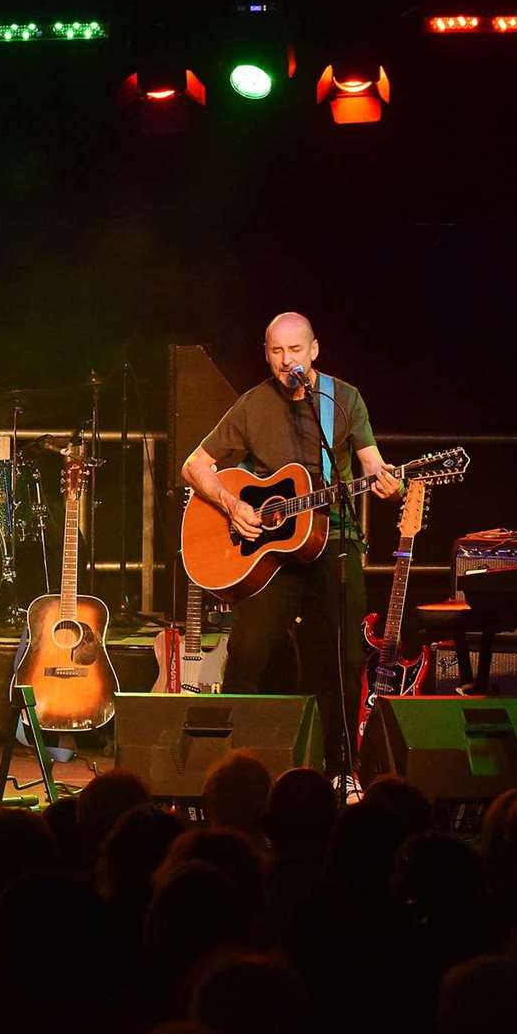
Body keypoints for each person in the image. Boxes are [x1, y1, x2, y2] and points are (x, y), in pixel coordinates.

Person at [181, 311, 399, 775]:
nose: (286, 360)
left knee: (341, 657)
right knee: (249, 651)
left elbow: (371, 464)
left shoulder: (342, 400)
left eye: (295, 350)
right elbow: (194, 465)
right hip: (270, 553)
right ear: (266, 355)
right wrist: (231, 504)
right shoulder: (252, 405)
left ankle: (339, 769)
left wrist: (388, 482)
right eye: (276, 351)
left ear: (313, 350)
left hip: (333, 540)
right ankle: (235, 769)